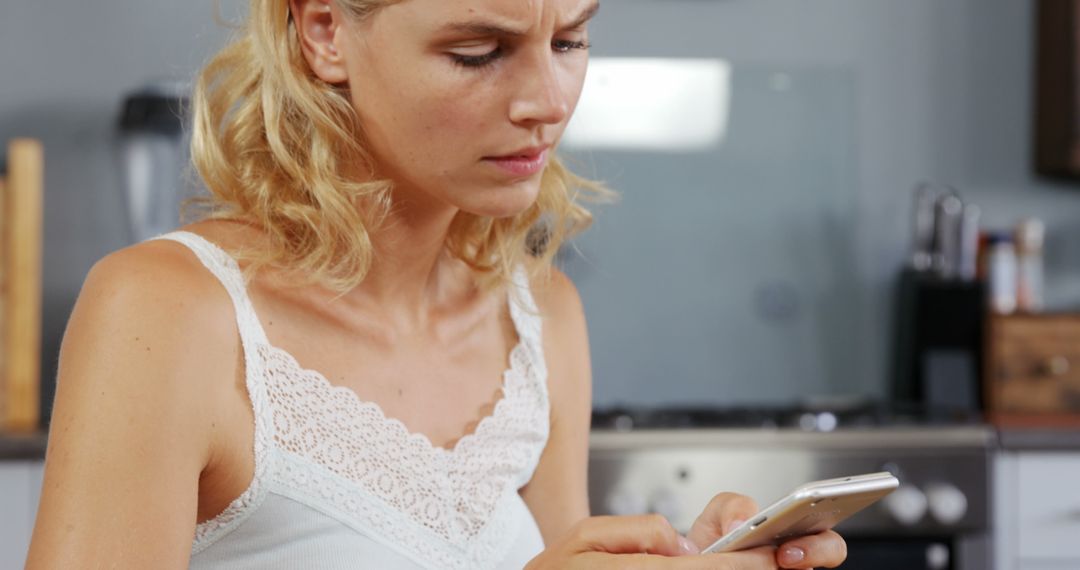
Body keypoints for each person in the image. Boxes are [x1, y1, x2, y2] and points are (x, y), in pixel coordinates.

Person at [26, 0, 848, 568]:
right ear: (324, 33)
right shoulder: (168, 311)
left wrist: (684, 560)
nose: (547, 100)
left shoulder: (540, 317)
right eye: (476, 52)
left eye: (569, 39)